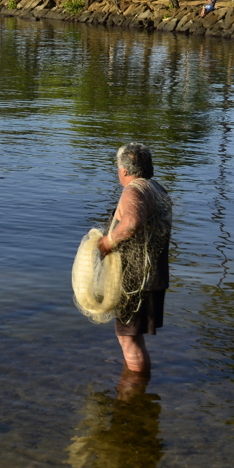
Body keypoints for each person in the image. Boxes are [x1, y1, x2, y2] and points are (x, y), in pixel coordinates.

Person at [97, 143, 173, 375]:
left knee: (128, 337)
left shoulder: (134, 190)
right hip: (153, 276)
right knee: (132, 335)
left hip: (137, 281)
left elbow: (130, 224)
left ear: (125, 170)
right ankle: (133, 370)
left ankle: (133, 391)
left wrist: (107, 242)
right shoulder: (156, 188)